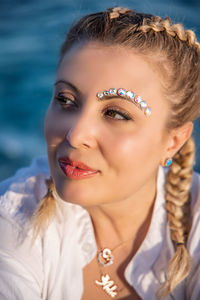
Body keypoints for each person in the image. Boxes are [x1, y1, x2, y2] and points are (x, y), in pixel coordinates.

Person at [0, 6, 200, 300]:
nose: (76, 135)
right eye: (65, 100)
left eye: (116, 114)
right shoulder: (14, 218)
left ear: (172, 142)